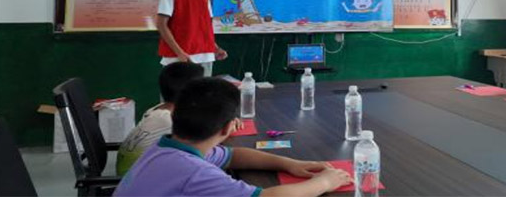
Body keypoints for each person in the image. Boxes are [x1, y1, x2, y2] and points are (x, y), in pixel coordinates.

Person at [115, 78, 351, 197]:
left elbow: (233, 155)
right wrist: (325, 182)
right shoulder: (194, 172)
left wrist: (291, 164)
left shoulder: (167, 148)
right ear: (228, 128)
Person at [116, 62, 205, 175]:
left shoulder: (158, 110)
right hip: (139, 179)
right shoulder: (170, 120)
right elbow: (201, 151)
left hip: (131, 174)